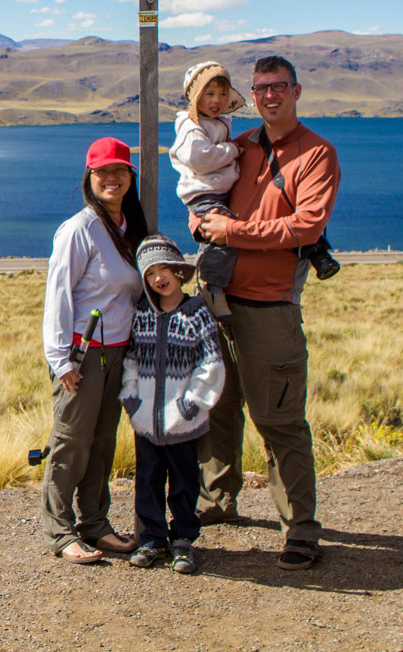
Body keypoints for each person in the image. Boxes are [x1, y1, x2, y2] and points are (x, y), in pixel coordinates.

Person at [196, 55, 341, 570]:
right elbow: (206, 187)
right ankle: (216, 499)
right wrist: (203, 224)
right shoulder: (242, 145)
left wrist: (232, 232)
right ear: (252, 96)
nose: (270, 96)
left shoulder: (316, 154)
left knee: (278, 421)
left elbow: (304, 228)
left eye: (279, 87)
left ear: (296, 91)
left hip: (270, 307)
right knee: (215, 405)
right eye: (261, 89)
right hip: (217, 302)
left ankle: (300, 528)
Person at [41, 136, 149, 563]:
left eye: (119, 171)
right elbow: (59, 296)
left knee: (104, 442)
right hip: (82, 357)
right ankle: (60, 530)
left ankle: (96, 523)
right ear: (90, 176)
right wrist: (61, 360)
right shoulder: (78, 229)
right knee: (72, 441)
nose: (111, 178)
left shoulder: (130, 227)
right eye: (103, 171)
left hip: (119, 355)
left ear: (129, 177)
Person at [120, 234, 225, 574]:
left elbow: (211, 365)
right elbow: (131, 360)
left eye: (165, 269)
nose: (158, 278)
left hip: (184, 422)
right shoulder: (142, 315)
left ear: (179, 271)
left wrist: (190, 406)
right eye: (150, 273)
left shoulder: (197, 313)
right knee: (148, 479)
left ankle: (183, 540)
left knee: (184, 481)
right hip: (147, 421)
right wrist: (133, 401)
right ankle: (152, 539)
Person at [168, 61, 248, 320]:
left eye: (223, 94)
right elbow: (199, 158)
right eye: (209, 94)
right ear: (195, 97)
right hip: (204, 195)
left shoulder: (214, 122)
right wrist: (233, 151)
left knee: (226, 233)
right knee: (223, 233)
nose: (217, 100)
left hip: (218, 192)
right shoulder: (192, 126)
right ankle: (210, 287)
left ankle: (214, 286)